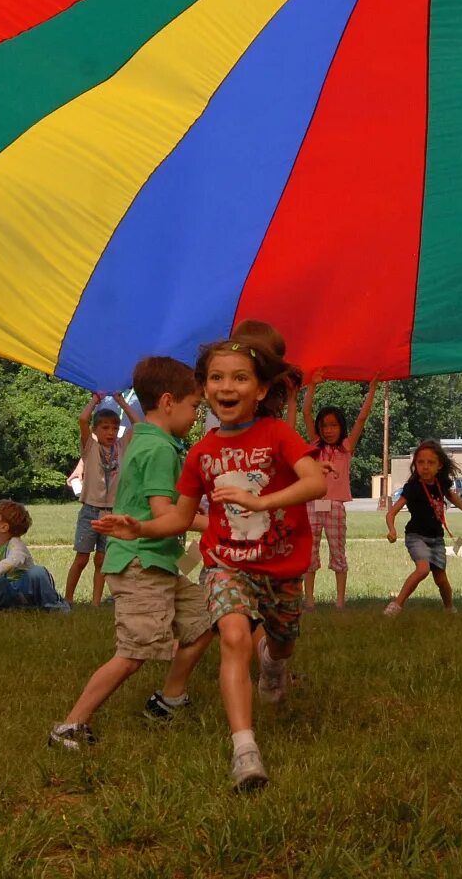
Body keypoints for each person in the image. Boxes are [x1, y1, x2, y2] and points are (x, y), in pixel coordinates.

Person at [96, 335, 325, 790]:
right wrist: (139, 528)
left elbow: (315, 481)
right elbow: (180, 517)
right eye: (216, 377)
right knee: (234, 636)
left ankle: (275, 668)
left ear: (260, 390)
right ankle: (245, 749)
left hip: (280, 567)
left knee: (281, 641)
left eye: (240, 377)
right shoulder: (200, 452)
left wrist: (261, 502)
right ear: (205, 387)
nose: (227, 385)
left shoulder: (278, 434)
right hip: (226, 563)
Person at [49, 357, 208, 749]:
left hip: (160, 562)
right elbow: (165, 515)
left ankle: (169, 700)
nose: (196, 415)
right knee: (134, 653)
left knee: (205, 621)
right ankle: (71, 725)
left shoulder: (149, 440)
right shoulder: (159, 451)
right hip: (141, 563)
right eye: (195, 406)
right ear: (169, 402)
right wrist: (219, 524)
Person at [301, 371, 379, 610]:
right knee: (309, 553)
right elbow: (305, 412)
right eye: (324, 426)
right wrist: (312, 387)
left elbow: (361, 419)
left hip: (335, 506)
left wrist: (372, 390)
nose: (328, 430)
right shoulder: (314, 445)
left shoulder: (346, 447)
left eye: (333, 425)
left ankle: (340, 601)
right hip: (312, 505)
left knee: (338, 552)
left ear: (341, 427)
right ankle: (310, 600)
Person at [383, 441, 462, 616]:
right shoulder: (413, 487)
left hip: (436, 539)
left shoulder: (440, 484)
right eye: (420, 462)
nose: (425, 467)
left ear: (439, 466)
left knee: (441, 579)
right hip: (416, 536)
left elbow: (454, 498)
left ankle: (449, 608)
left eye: (430, 463)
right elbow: (391, 513)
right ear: (415, 465)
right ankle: (396, 605)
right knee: (423, 569)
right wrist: (392, 530)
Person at [64, 392, 142, 605]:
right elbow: (82, 419)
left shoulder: (122, 446)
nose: (111, 432)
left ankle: (96, 602)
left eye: (115, 428)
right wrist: (96, 399)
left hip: (112, 512)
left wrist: (122, 402)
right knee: (82, 558)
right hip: (90, 510)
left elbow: (137, 422)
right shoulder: (91, 447)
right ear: (95, 430)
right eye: (105, 428)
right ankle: (67, 600)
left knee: (102, 559)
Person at [0, 500, 67, 611]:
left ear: (4, 527)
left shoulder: (16, 544)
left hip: (25, 591)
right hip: (6, 593)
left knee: (37, 572)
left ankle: (52, 605)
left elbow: (13, 561)